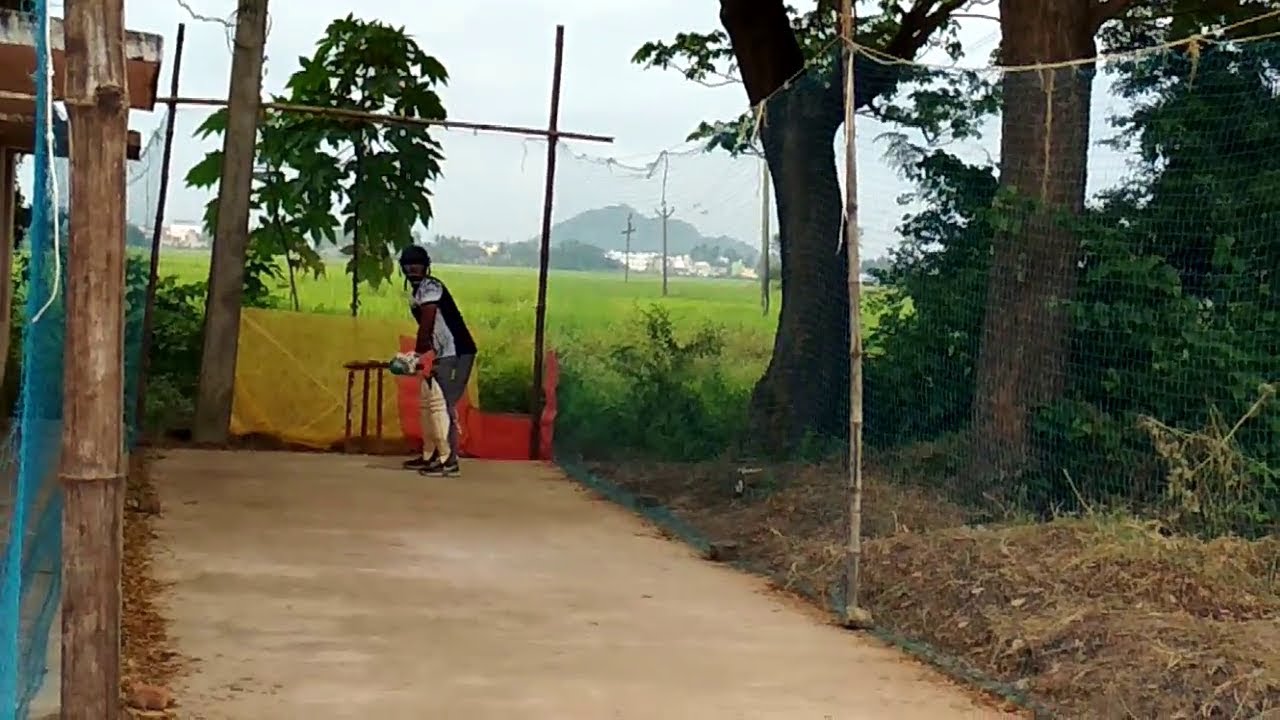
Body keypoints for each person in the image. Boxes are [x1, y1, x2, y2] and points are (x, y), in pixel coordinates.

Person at [398, 245, 477, 475]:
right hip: (444, 353)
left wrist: (417, 353)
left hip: (458, 351)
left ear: (426, 266)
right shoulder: (417, 292)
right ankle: (432, 455)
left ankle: (449, 462)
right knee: (430, 406)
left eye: (418, 263)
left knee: (443, 406)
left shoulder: (431, 286)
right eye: (408, 263)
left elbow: (428, 321)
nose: (413, 267)